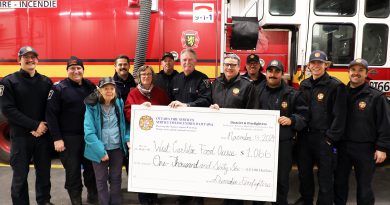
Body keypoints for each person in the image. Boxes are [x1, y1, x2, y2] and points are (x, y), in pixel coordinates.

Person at [0, 46, 53, 205]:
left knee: (44, 174)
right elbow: (8, 110)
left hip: (42, 137)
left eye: (33, 57)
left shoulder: (46, 81)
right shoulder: (9, 81)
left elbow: (51, 108)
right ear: (19, 60)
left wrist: (43, 127)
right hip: (21, 137)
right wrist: (34, 125)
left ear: (37, 60)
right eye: (26, 57)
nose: (30, 60)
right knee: (20, 176)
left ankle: (44, 201)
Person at [334, 58, 390, 205]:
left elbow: (385, 123)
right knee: (339, 184)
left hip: (365, 148)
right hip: (342, 147)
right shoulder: (340, 92)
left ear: (366, 73)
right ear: (348, 72)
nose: (356, 73)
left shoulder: (376, 96)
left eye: (360, 70)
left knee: (364, 187)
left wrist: (382, 148)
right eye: (353, 70)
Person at [296, 50, 347, 205]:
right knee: (304, 175)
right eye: (313, 63)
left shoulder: (335, 86)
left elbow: (340, 116)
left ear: (326, 65)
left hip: (324, 139)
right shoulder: (304, 84)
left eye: (320, 63)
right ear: (309, 66)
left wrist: (330, 139)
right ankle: (306, 201)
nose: (316, 66)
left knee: (325, 178)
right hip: (305, 138)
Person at [254, 60, 308, 205]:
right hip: (260, 144)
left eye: (277, 71)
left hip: (283, 143)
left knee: (282, 177)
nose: (273, 74)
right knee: (259, 175)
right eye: (270, 71)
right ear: (266, 73)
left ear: (282, 74)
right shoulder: (256, 91)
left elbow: (304, 116)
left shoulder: (292, 94)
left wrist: (292, 120)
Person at [45, 56, 97, 205]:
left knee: (91, 170)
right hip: (68, 139)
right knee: (73, 172)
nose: (76, 71)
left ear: (83, 70)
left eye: (78, 68)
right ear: (67, 70)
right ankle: (76, 201)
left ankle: (93, 198)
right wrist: (57, 138)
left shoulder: (89, 86)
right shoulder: (58, 88)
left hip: (89, 137)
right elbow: (51, 115)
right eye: (72, 68)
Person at [210, 53, 257, 205]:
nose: (229, 67)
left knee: (237, 173)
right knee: (223, 171)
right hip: (219, 137)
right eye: (227, 64)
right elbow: (210, 103)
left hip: (238, 139)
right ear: (223, 66)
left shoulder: (247, 85)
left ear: (238, 67)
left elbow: (252, 113)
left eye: (233, 65)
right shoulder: (216, 83)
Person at [169, 48, 211, 205]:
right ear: (180, 62)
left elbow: (207, 100)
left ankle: (199, 197)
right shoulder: (176, 79)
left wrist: (187, 105)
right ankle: (183, 195)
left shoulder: (203, 79)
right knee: (181, 164)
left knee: (198, 164)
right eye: (184, 60)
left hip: (197, 131)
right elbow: (169, 101)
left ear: (195, 61)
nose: (187, 62)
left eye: (190, 60)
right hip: (179, 131)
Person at [124, 65, 170, 205]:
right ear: (139, 77)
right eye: (143, 74)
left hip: (156, 139)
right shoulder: (133, 94)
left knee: (153, 168)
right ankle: (144, 198)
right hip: (140, 139)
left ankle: (154, 197)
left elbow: (167, 112)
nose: (146, 77)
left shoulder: (160, 93)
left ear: (153, 76)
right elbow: (127, 114)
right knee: (141, 168)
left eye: (149, 74)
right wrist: (139, 111)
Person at [83, 77, 130, 205]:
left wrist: (127, 139)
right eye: (105, 88)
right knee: (101, 179)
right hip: (98, 149)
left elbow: (125, 124)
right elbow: (89, 132)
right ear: (99, 90)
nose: (109, 91)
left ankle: (116, 202)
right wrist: (101, 152)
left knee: (116, 178)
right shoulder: (92, 106)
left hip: (116, 147)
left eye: (112, 88)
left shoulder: (119, 102)